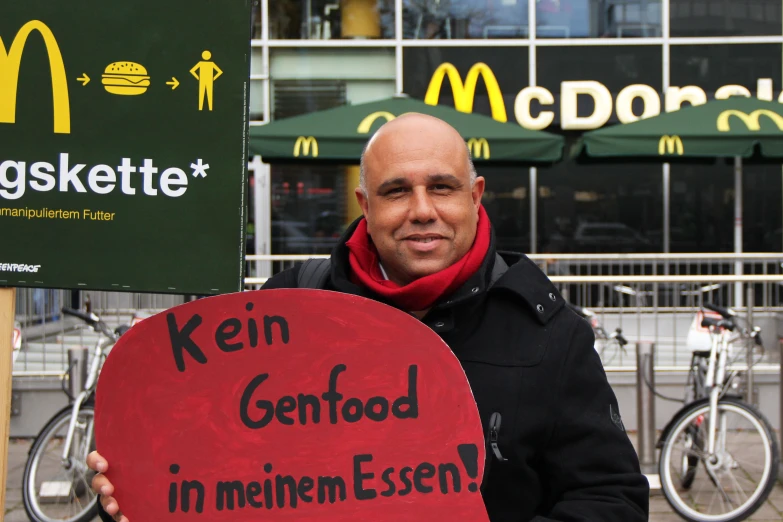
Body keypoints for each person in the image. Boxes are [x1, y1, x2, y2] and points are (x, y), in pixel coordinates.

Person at [88, 113, 649, 522]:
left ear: (475, 196)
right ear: (366, 204)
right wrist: (143, 488)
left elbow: (611, 499)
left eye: (442, 188)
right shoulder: (288, 308)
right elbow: (211, 454)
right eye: (397, 191)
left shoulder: (549, 332)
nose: (422, 210)